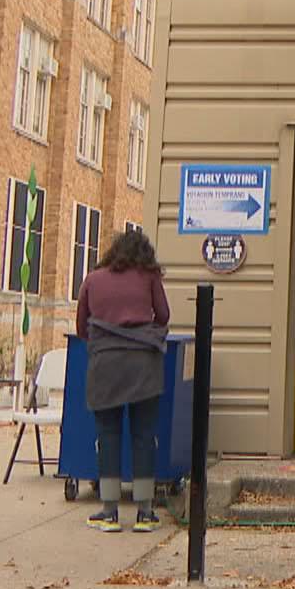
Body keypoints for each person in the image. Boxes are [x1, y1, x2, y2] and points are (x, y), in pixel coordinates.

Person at [75, 228, 171, 532]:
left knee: (108, 436)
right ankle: (144, 513)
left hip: (106, 366)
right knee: (143, 437)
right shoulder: (149, 276)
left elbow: (81, 327)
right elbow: (164, 315)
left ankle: (109, 512)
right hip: (143, 365)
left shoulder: (93, 279)